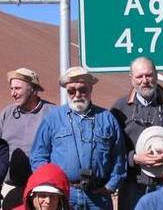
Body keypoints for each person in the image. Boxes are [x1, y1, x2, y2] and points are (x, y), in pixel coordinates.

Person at [31, 66, 127, 210]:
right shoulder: (53, 117)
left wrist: (110, 186)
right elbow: (38, 156)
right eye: (71, 91)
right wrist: (50, 186)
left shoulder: (107, 119)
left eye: (83, 90)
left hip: (98, 196)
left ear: (91, 89)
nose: (77, 94)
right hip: (64, 194)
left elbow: (119, 157)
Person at [111, 56, 163, 209]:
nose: (145, 80)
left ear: (156, 75)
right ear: (131, 79)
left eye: (148, 75)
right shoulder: (120, 108)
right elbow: (112, 146)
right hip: (132, 184)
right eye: (139, 76)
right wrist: (134, 158)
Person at [0, 68, 56, 207]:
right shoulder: (7, 113)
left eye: (17, 88)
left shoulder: (52, 113)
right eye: (11, 89)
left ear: (33, 89)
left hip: (42, 189)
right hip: (11, 186)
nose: (13, 94)